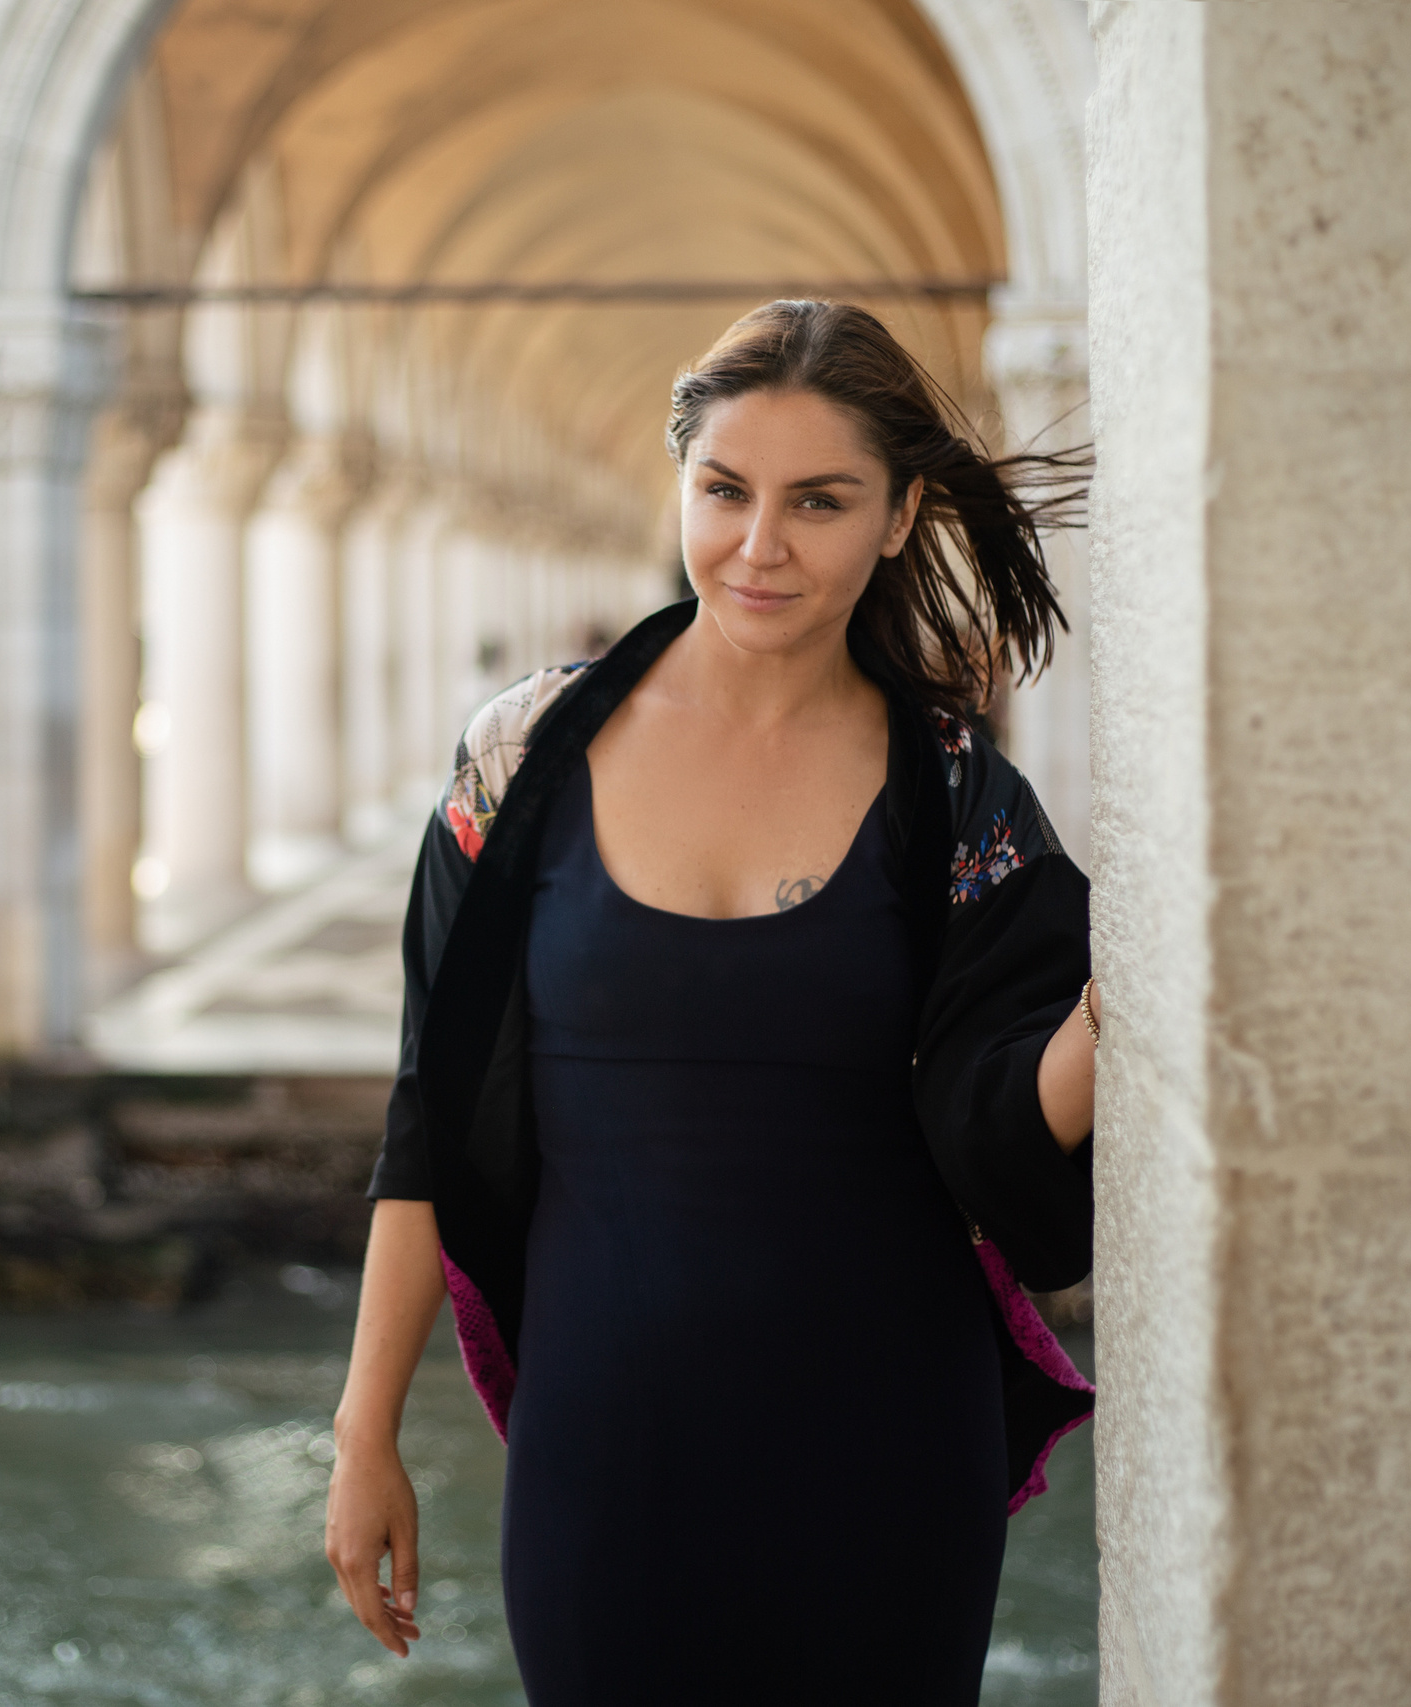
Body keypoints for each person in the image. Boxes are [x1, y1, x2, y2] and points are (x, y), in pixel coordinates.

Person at [323, 299, 1100, 1705]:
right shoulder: (519, 761)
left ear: (899, 517)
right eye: (726, 491)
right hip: (603, 1454)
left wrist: (1123, 1004)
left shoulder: (958, 797)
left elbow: (1005, 1124)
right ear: (679, 483)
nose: (760, 545)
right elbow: (430, 1112)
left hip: (890, 1454)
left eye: (820, 502)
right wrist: (364, 1434)